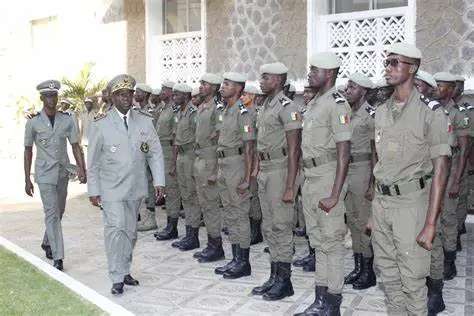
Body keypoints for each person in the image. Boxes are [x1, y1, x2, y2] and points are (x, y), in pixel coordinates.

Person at [369, 43, 450, 315]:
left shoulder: (431, 112)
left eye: (395, 62)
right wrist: (373, 208)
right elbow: (378, 162)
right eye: (387, 62)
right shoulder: (380, 111)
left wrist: (430, 223)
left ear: (412, 68)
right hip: (382, 204)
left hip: (411, 205)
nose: (388, 67)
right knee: (389, 276)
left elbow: (441, 169)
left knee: (412, 281)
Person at [87, 74, 165, 295]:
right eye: (120, 95)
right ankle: (116, 276)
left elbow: (155, 154)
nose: (126, 98)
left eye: (129, 94)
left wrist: (159, 181)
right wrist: (93, 189)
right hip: (110, 189)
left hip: (135, 187)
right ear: (112, 98)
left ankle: (124, 268)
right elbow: (92, 162)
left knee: (130, 233)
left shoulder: (144, 120)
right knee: (115, 230)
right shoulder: (101, 124)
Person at [295, 52, 351, 315]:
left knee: (332, 243)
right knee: (318, 241)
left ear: (329, 74)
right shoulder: (315, 102)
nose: (310, 74)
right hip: (311, 179)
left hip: (328, 179)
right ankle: (320, 300)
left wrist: (335, 194)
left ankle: (333, 302)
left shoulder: (337, 103)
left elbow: (343, 152)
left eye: (314, 70)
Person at [251, 62, 302, 301]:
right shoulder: (264, 106)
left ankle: (285, 281)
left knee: (282, 226)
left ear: (279, 81)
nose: (261, 81)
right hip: (266, 170)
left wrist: (290, 185)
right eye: (262, 78)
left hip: (281, 171)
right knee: (269, 225)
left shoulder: (287, 107)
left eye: (266, 78)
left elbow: (294, 150)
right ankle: (274, 276)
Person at [24, 79, 87, 270]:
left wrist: (82, 169)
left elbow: (75, 146)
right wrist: (27, 178)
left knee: (59, 211)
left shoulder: (67, 120)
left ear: (58, 97)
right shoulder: (33, 123)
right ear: (42, 98)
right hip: (44, 175)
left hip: (62, 173)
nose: (52, 100)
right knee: (51, 213)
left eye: (54, 96)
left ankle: (47, 241)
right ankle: (58, 256)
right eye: (48, 96)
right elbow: (28, 150)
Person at [214, 72, 256, 279]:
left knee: (239, 214)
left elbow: (249, 148)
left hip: (237, 166)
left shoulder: (243, 112)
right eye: (222, 83)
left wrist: (247, 178)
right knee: (230, 213)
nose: (222, 87)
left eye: (227, 84)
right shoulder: (226, 110)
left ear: (238, 88)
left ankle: (244, 262)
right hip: (223, 165)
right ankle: (235, 257)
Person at [413, 69, 446, 315]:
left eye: (419, 85)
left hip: (430, 187)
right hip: (409, 191)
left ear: (428, 88)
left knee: (432, 244)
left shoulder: (435, 113)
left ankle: (436, 293)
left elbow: (442, 162)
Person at [433, 72, 471, 281]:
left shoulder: (456, 113)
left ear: (451, 89)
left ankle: (449, 261)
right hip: (433, 167)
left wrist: (456, 181)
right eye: (436, 85)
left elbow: (464, 150)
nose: (437, 89)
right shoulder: (429, 110)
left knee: (448, 216)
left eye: (442, 86)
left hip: (451, 166)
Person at [342, 72, 377, 290]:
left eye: (352, 87)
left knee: (364, 223)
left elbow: (376, 152)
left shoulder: (371, 115)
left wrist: (373, 183)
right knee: (353, 222)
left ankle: (368, 271)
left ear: (363, 91)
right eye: (347, 87)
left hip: (364, 170)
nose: (348, 91)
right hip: (348, 170)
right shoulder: (346, 113)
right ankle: (357, 267)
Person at [192, 73, 225, 262]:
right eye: (201, 83)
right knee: (204, 203)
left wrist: (215, 169)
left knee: (211, 204)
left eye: (204, 84)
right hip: (200, 158)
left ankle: (216, 246)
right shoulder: (202, 107)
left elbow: (221, 139)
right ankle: (211, 243)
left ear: (213, 87)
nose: (201, 86)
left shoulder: (217, 108)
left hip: (210, 159)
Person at [169, 83, 201, 251]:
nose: (174, 97)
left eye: (177, 94)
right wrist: (174, 162)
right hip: (181, 156)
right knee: (185, 196)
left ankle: (193, 236)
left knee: (191, 196)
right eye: (173, 94)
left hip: (190, 156)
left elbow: (198, 138)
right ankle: (188, 233)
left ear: (186, 96)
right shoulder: (179, 113)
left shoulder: (193, 113)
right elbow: (175, 139)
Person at [154, 81, 182, 241]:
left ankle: (172, 227)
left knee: (172, 191)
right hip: (161, 151)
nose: (162, 92)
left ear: (171, 92)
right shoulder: (164, 109)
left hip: (170, 152)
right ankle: (170, 225)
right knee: (167, 189)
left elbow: (175, 137)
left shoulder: (174, 110)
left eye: (165, 90)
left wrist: (173, 161)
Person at [452, 75, 474, 251]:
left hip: (462, 158)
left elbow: (469, 142)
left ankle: (456, 231)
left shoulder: (466, 108)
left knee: (460, 198)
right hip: (447, 159)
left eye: (458, 86)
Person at [134, 83, 160, 232]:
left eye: (138, 92)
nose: (135, 94)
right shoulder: (137, 111)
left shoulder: (151, 111)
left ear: (145, 94)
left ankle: (151, 217)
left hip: (147, 152)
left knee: (149, 184)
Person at [240, 85, 264, 246]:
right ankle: (248, 227)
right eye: (242, 94)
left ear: (253, 96)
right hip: (242, 159)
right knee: (245, 196)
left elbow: (257, 144)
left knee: (253, 196)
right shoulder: (241, 114)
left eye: (246, 94)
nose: (242, 97)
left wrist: (256, 167)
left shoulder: (255, 115)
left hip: (254, 159)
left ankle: (256, 231)